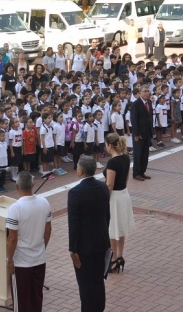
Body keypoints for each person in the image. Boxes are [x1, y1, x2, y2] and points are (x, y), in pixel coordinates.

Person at [67, 156, 110, 312]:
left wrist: (73, 249)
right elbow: (107, 216)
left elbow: (74, 225)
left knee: (85, 285)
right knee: (98, 281)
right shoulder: (103, 187)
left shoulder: (75, 193)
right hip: (102, 242)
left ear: (80, 171)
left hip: (83, 247)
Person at [6, 171, 52, 312]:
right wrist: (41, 247)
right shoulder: (44, 203)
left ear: (17, 186)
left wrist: (9, 260)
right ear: (32, 185)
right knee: (36, 298)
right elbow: (48, 230)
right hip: (39, 259)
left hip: (21, 262)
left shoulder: (15, 208)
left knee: (21, 302)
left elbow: (12, 238)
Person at [103, 133, 135, 273]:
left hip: (114, 197)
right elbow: (127, 178)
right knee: (121, 227)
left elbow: (109, 184)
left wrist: (104, 200)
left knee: (112, 229)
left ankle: (114, 259)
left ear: (110, 145)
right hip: (124, 194)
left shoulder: (112, 162)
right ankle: (120, 256)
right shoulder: (126, 157)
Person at [129, 86, 153, 181]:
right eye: (144, 91)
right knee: (138, 153)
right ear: (140, 93)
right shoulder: (136, 104)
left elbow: (149, 117)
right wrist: (136, 133)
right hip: (139, 132)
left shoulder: (149, 102)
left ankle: (142, 171)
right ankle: (136, 173)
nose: (146, 93)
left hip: (147, 131)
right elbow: (134, 120)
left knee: (145, 153)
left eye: (148, 91)